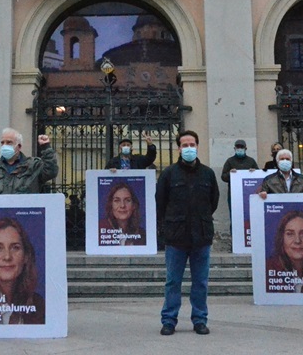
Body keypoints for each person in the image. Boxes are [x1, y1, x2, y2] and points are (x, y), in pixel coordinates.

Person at [156, 130, 218, 336]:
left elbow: (213, 201)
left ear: (197, 146)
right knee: (173, 281)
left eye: (192, 144)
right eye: (185, 145)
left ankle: (200, 319)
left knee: (200, 281)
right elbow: (160, 202)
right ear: (178, 148)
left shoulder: (208, 173)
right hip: (176, 237)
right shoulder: (169, 174)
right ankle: (169, 320)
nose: (189, 148)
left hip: (201, 236)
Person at [0, 128, 58, 203]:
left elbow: (51, 172)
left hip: (25, 215)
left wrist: (46, 147)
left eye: (9, 142)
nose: (4, 145)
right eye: (2, 143)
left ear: (19, 146)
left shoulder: (33, 165)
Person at [98, 182, 145, 246]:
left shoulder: (142, 235)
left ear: (134, 205)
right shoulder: (99, 230)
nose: (122, 205)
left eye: (127, 200)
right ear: (111, 205)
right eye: (117, 201)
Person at [221, 139, 259, 215]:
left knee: (249, 214)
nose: (240, 149)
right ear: (234, 149)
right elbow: (223, 176)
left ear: (245, 149)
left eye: (241, 147)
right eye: (238, 147)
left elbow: (258, 176)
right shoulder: (230, 161)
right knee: (234, 214)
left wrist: (254, 172)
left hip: (249, 192)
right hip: (234, 194)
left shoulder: (251, 161)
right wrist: (230, 174)